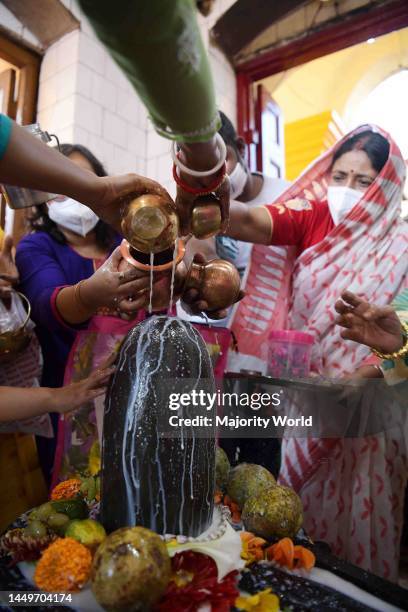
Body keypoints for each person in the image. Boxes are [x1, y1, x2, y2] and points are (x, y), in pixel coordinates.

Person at [203, 124, 407, 580]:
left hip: (370, 411)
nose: (346, 190)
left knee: (362, 517)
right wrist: (202, 202)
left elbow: (405, 330)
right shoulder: (316, 218)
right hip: (307, 397)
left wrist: (364, 377)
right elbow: (255, 222)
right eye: (339, 176)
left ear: (388, 185)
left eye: (363, 180)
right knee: (300, 516)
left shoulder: (403, 246)